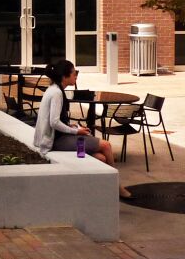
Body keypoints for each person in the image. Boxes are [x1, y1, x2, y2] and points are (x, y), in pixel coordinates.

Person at [33, 59, 132, 199]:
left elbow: (57, 120)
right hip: (54, 140)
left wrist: (72, 126)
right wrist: (76, 131)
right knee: (106, 145)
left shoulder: (54, 89)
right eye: (74, 73)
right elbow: (54, 122)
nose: (76, 76)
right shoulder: (56, 93)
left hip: (56, 136)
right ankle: (117, 187)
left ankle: (98, 191)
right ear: (64, 76)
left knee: (101, 158)